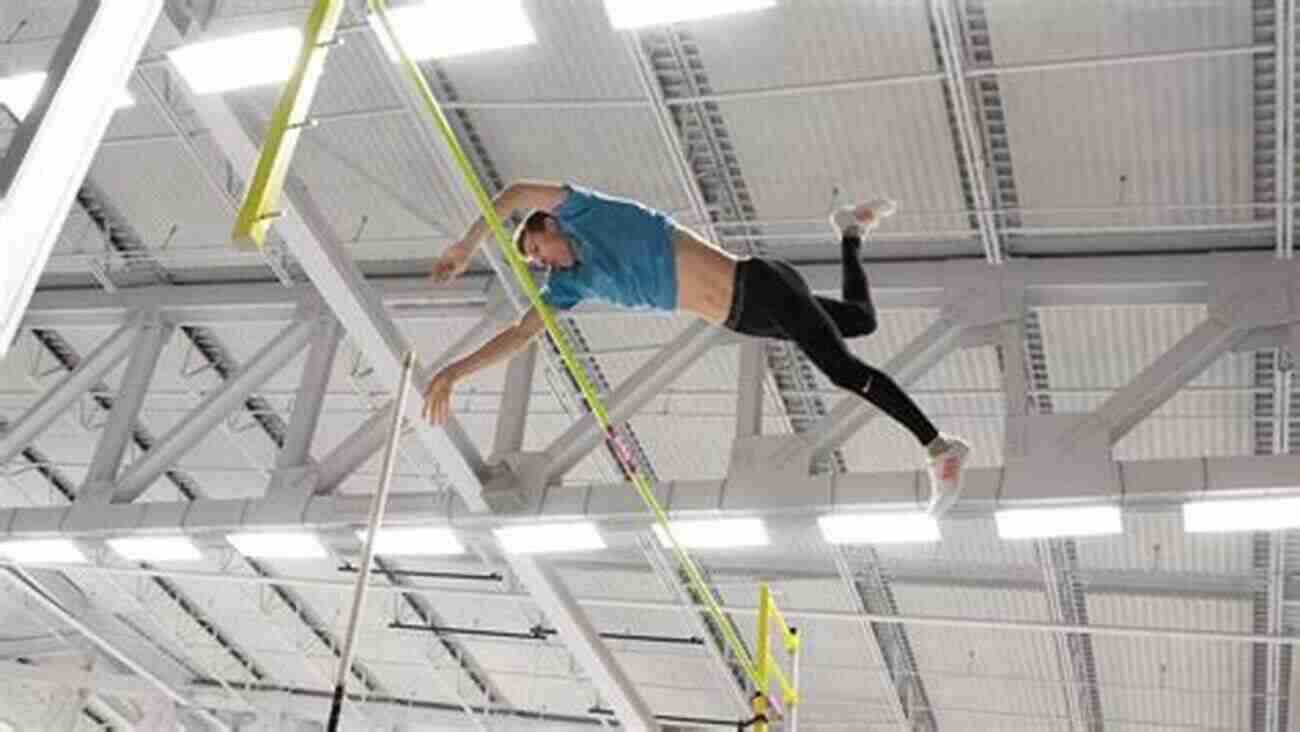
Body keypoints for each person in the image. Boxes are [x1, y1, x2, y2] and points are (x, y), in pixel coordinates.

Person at [422, 181, 971, 516]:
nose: (543, 264)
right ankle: (850, 230)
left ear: (551, 223)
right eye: (536, 264)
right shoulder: (574, 284)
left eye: (538, 249)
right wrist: (452, 372)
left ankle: (939, 447)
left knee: (842, 370)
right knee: (860, 322)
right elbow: (521, 334)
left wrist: (468, 245)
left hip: (759, 283)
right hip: (745, 317)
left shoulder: (593, 214)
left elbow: (515, 192)